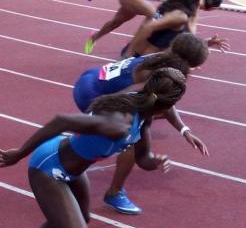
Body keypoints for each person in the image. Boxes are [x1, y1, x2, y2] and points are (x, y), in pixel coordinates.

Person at [0, 68, 187, 228]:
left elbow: (143, 159)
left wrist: (155, 161)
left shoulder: (144, 113)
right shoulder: (118, 124)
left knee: (83, 218)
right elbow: (62, 120)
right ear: (167, 104)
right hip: (49, 167)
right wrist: (19, 153)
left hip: (74, 168)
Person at [73, 33, 209, 214]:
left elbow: (165, 100)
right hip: (93, 94)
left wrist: (184, 130)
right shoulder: (157, 79)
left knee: (140, 124)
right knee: (127, 138)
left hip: (93, 76)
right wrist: (95, 116)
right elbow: (150, 99)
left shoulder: (163, 59)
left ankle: (71, 158)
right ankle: (112, 192)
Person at [124, 0, 229, 58]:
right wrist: (127, 57)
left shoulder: (172, 4)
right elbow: (190, 41)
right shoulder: (182, 16)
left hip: (137, 54)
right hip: (140, 60)